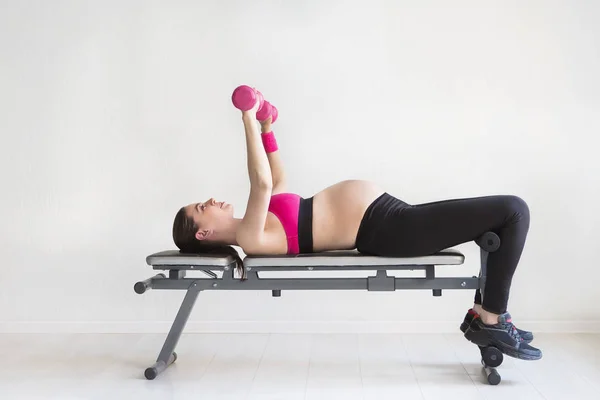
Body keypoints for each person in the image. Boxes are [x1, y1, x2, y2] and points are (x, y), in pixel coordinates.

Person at [172, 97, 542, 361]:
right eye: (202, 209)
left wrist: (267, 128)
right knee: (513, 211)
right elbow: (263, 183)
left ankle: (487, 315)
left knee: (501, 220)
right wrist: (247, 119)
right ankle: (492, 319)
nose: (211, 200)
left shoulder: (258, 219)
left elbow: (277, 178)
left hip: (390, 214)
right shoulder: (251, 238)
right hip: (388, 230)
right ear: (202, 234)